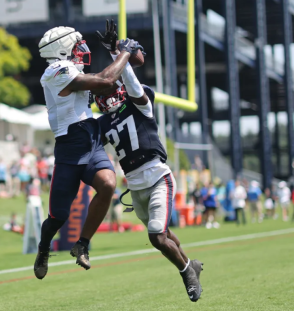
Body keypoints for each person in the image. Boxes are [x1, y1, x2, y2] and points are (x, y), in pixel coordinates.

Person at [96, 23, 203, 301]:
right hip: (135, 184)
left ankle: (187, 273)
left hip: (157, 177)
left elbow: (129, 81)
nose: (104, 97)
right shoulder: (103, 122)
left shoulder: (140, 104)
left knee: (156, 236)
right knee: (164, 234)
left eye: (107, 92)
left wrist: (113, 52)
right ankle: (193, 264)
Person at [34, 22, 143, 277]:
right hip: (70, 146)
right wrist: (125, 52)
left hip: (91, 138)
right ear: (61, 50)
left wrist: (117, 50)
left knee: (108, 184)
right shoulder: (55, 70)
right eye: (75, 45)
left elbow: (108, 83)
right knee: (57, 218)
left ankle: (82, 244)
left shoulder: (70, 68)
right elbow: (104, 79)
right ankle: (43, 246)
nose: (80, 49)